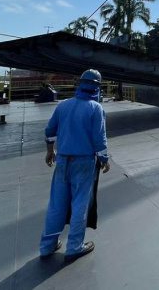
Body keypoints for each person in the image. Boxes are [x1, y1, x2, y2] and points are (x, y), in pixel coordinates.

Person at [40, 69, 110, 262]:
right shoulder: (96, 109)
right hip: (84, 162)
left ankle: (47, 246)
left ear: (80, 84)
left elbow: (49, 130)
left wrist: (49, 151)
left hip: (62, 160)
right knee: (80, 204)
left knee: (56, 203)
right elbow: (99, 140)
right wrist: (105, 159)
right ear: (97, 87)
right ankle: (74, 247)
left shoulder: (63, 105)